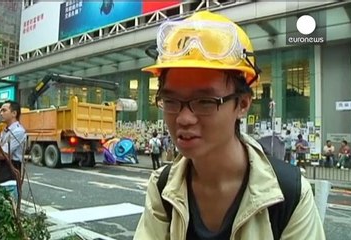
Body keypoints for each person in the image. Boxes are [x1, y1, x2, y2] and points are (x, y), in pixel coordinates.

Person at [134, 11, 324, 240]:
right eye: (171, 101)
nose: (183, 118)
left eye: (205, 102)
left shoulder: (288, 194)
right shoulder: (162, 187)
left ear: (242, 104)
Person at [0, 100, 26, 201]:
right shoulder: (4, 130)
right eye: (0, 110)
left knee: (8, 205)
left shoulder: (18, 131)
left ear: (14, 113)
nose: (1, 113)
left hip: (10, 171)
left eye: (4, 110)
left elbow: (3, 154)